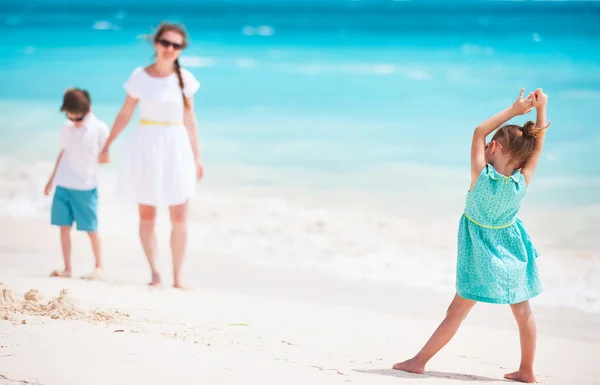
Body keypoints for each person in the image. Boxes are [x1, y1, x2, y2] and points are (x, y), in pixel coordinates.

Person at [392, 88, 549, 383]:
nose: (487, 144)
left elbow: (479, 130)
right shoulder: (521, 182)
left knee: (456, 311)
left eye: (492, 143)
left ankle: (418, 361)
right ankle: (527, 370)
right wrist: (542, 111)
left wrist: (514, 111)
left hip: (479, 255)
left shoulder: (480, 176)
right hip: (513, 251)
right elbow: (536, 148)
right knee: (523, 312)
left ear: (497, 149)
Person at [98, 22, 203, 289]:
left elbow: (190, 119)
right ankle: (155, 273)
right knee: (148, 215)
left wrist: (197, 157)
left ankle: (178, 277)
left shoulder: (185, 79)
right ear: (156, 44)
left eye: (176, 45)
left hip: (176, 146)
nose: (169, 49)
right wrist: (107, 144)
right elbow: (125, 113)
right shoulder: (139, 76)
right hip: (146, 145)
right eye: (165, 43)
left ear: (181, 49)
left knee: (179, 216)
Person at [44, 88, 109, 280]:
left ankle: (99, 266)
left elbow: (106, 157)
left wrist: (101, 155)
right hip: (63, 184)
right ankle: (67, 268)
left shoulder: (99, 128)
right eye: (71, 118)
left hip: (86, 187)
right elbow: (62, 153)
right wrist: (51, 181)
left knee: (91, 228)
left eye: (78, 119)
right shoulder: (67, 127)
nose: (74, 122)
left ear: (88, 110)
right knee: (63, 228)